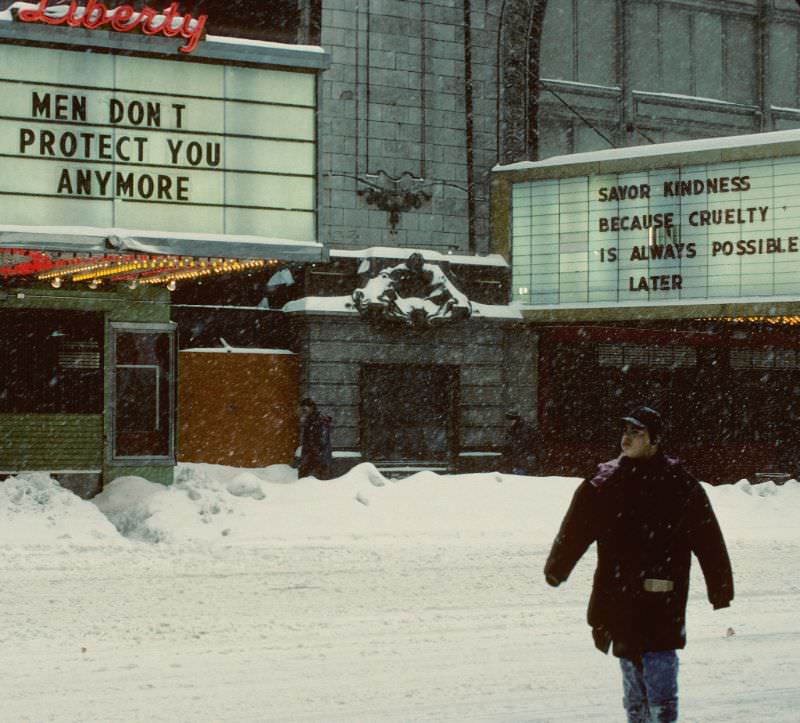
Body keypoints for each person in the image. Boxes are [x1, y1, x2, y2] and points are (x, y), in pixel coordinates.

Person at [543, 406, 733, 723]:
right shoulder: (605, 484)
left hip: (663, 593)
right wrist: (557, 567)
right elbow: (575, 529)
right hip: (619, 593)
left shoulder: (680, 486)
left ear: (655, 440)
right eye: (625, 431)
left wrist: (721, 588)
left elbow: (708, 539)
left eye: (637, 432)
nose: (626, 438)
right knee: (630, 665)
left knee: (659, 663)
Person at [294, 397, 333, 480]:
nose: (303, 412)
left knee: (318, 482)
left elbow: (323, 440)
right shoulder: (309, 420)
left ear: (311, 408)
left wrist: (314, 454)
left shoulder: (319, 420)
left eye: (305, 410)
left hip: (318, 458)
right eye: (302, 410)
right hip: (311, 457)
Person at [502, 410, 537, 475]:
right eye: (508, 419)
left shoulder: (522, 429)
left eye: (512, 419)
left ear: (516, 419)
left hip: (523, 458)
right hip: (519, 459)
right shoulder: (512, 429)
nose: (509, 422)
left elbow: (522, 444)